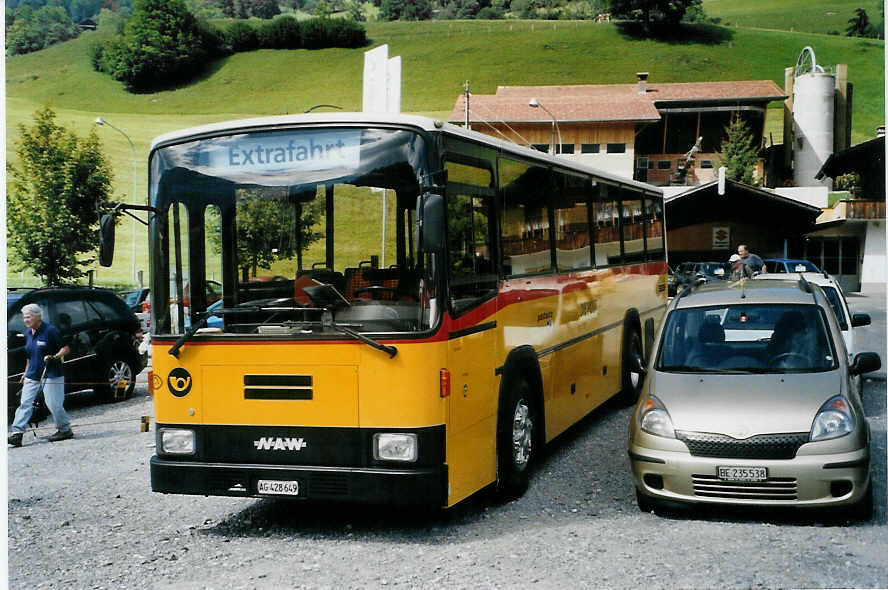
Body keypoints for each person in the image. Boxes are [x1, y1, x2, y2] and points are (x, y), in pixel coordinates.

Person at [8, 303, 74, 447]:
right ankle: (17, 434)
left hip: (52, 372)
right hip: (33, 373)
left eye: (28, 317)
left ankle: (65, 430)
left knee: (54, 404)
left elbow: (65, 348)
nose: (25, 320)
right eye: (24, 317)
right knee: (25, 403)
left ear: (38, 317)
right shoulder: (28, 333)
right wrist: (26, 372)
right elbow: (29, 355)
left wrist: (54, 357)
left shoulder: (50, 331)